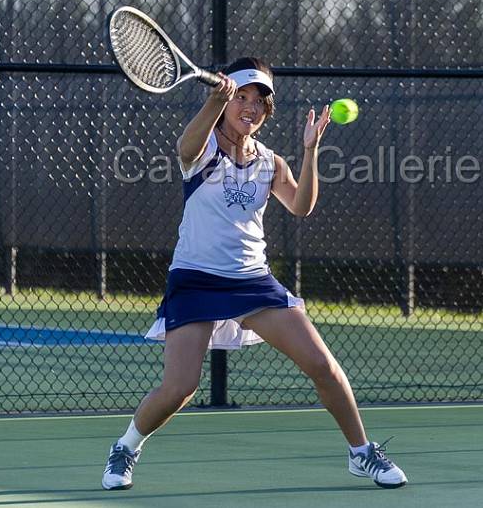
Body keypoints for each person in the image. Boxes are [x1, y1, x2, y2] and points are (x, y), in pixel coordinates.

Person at [101, 57, 407, 491]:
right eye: (241, 97)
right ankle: (127, 447)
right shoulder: (203, 149)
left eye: (258, 101)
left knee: (323, 365)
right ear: (227, 101)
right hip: (195, 279)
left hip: (252, 282)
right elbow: (184, 148)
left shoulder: (270, 162)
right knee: (179, 388)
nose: (249, 107)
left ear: (267, 111)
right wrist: (213, 102)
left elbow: (301, 206)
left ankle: (362, 454)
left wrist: (309, 149)